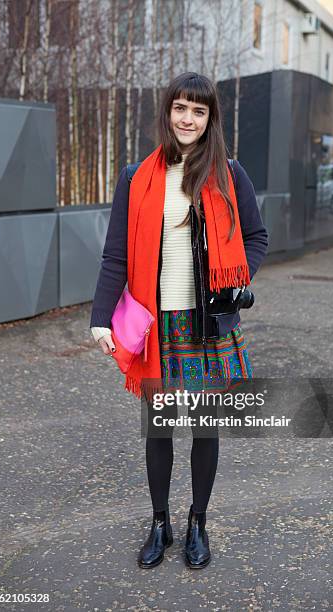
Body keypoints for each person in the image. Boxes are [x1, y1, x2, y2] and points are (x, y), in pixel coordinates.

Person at [89, 72, 269, 569]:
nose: (188, 119)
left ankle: (198, 523)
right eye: (180, 109)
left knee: (204, 428)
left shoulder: (229, 174)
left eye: (199, 110)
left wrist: (238, 280)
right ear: (168, 113)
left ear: (210, 119)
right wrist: (101, 318)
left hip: (208, 324)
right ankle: (159, 523)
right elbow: (114, 257)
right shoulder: (136, 177)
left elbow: (256, 236)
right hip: (158, 324)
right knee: (161, 428)